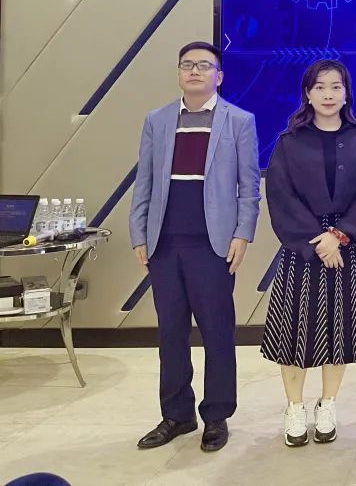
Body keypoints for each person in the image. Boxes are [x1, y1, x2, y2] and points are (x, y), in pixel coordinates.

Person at [129, 41, 260, 453]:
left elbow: (249, 187)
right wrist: (139, 234)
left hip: (213, 245)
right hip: (164, 244)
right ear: (179, 73)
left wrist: (242, 234)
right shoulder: (158, 120)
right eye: (187, 65)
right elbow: (145, 181)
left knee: (217, 332)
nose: (195, 71)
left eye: (204, 65)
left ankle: (216, 415)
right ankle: (177, 415)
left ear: (219, 76)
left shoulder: (239, 121)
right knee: (170, 332)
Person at [260, 60, 356, 447]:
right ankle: (294, 407)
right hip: (304, 249)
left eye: (336, 87)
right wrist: (318, 239)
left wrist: (340, 235)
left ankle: (327, 404)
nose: (328, 94)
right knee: (294, 333)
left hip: (348, 247)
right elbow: (281, 195)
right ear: (308, 94)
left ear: (346, 94)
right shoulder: (289, 141)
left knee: (339, 331)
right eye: (320, 87)